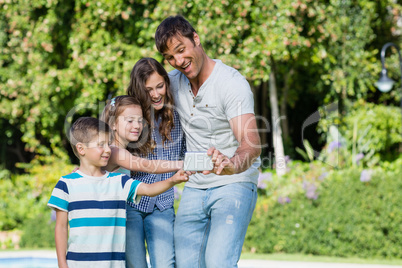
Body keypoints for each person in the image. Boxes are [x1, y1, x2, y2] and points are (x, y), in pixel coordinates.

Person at [155, 15, 262, 268]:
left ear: (196, 39)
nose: (178, 61)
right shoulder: (172, 82)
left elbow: (251, 143)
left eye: (181, 50)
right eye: (170, 57)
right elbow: (136, 100)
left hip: (233, 182)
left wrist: (231, 164)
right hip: (195, 186)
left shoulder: (230, 83)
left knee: (218, 263)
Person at [48, 117, 188, 268]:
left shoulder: (119, 181)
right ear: (81, 149)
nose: (108, 149)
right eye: (100, 145)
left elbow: (149, 190)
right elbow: (61, 227)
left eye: (108, 144)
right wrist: (62, 264)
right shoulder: (66, 184)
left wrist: (173, 180)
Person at [124, 58, 186, 268]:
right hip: (131, 203)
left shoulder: (177, 116)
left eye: (160, 86)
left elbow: (187, 153)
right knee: (135, 264)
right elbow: (110, 147)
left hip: (163, 204)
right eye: (148, 89)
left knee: (165, 263)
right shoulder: (131, 118)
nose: (155, 94)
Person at [101, 95, 182, 175]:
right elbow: (148, 166)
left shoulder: (119, 150)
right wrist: (182, 164)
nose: (137, 126)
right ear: (113, 124)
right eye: (130, 121)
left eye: (140, 120)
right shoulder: (115, 152)